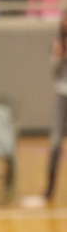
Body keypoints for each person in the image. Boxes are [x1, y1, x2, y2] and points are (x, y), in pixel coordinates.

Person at [44, 11, 67, 200]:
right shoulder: (58, 43)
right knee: (56, 141)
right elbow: (54, 71)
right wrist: (58, 56)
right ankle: (49, 190)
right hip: (62, 93)